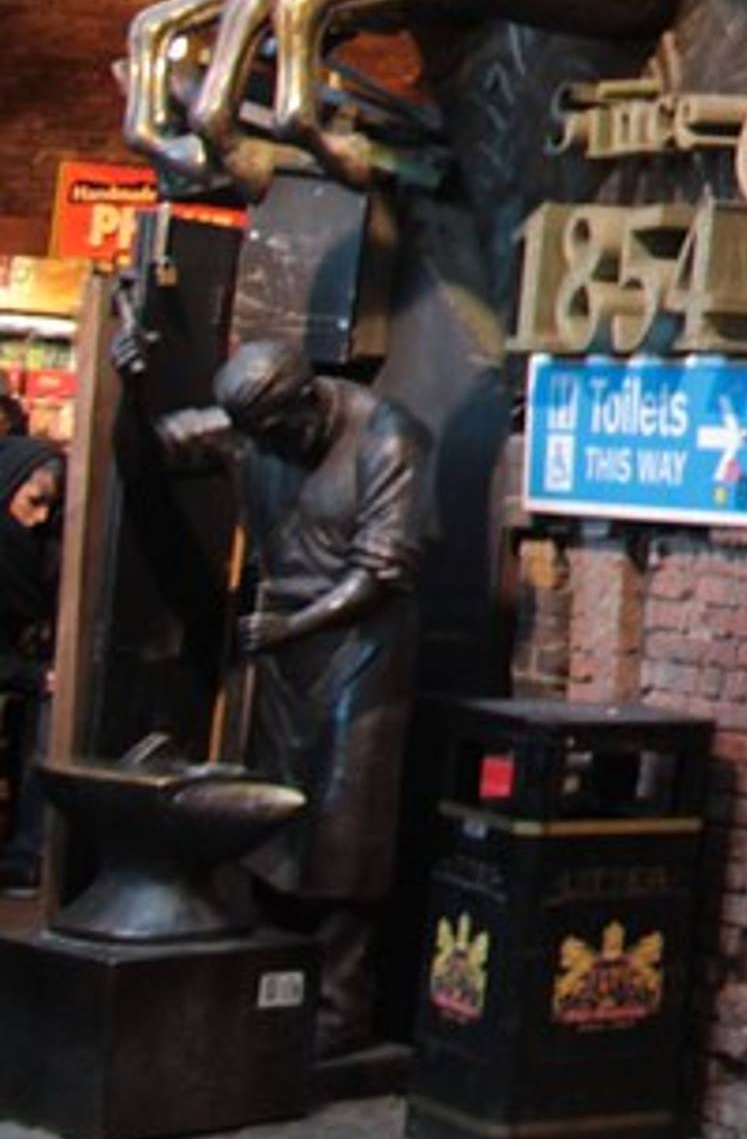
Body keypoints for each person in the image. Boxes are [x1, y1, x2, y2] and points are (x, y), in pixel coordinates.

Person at [123, 335, 427, 1053]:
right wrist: (131, 392)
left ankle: (341, 1004)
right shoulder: (249, 428)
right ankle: (270, 981)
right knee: (277, 817)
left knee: (348, 824)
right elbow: (146, 454)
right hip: (288, 647)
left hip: (362, 647)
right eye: (258, 439)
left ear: (305, 399)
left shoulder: (387, 434)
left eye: (281, 432)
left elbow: (378, 572)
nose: (273, 448)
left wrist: (293, 624)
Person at [0, 439, 62, 895]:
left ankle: (30, 851)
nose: (39, 518)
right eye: (33, 502)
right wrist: (34, 674)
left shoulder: (38, 546)